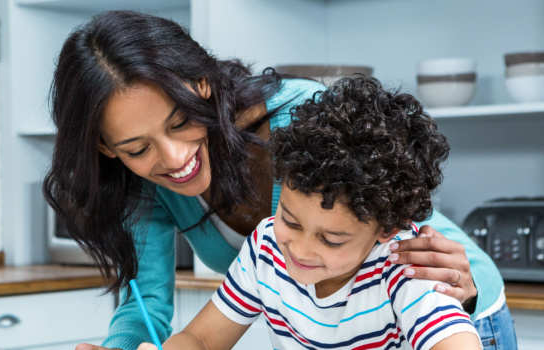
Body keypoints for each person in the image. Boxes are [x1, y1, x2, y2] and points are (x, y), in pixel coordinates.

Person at [43, 10, 514, 350]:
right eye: (137, 149)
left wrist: (458, 294)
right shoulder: (268, 247)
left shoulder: (305, 122)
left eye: (180, 120)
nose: (175, 157)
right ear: (107, 149)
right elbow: (154, 306)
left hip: (452, 299)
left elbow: (393, 204)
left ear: (201, 84)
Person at [137, 75, 480, 350]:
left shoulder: (403, 266)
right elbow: (201, 338)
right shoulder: (266, 247)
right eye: (289, 219)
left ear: (387, 229)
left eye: (331, 240)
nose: (299, 250)